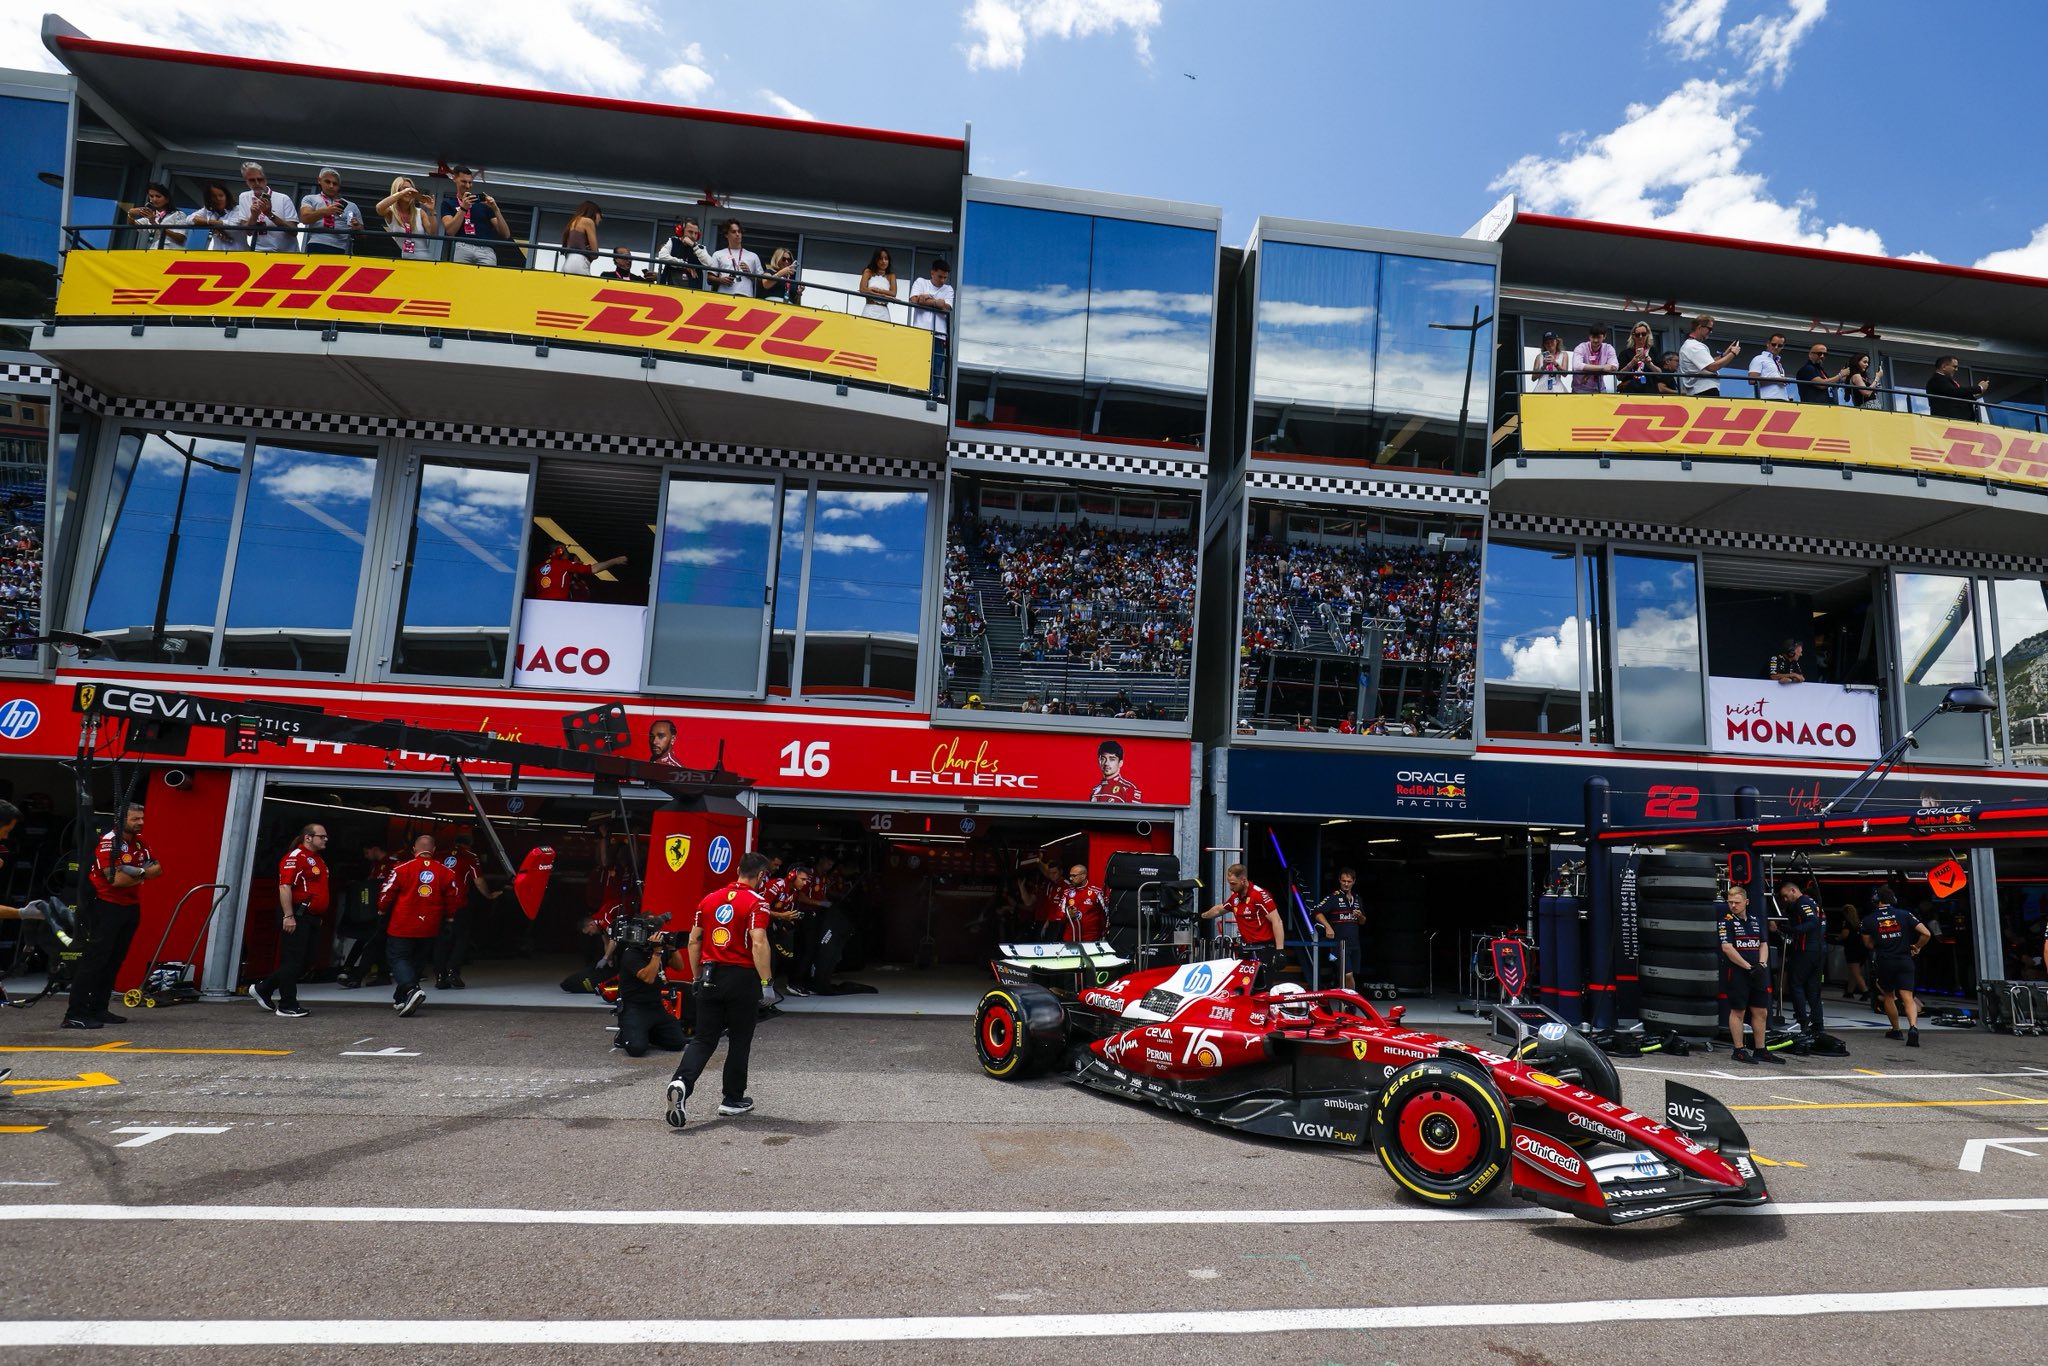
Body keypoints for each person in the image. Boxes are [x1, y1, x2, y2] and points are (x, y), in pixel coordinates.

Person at [665, 850, 774, 1129]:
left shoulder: (708, 900)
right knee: (739, 1038)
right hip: (742, 978)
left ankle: (682, 1082)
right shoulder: (757, 903)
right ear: (761, 875)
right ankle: (732, 1099)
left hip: (710, 974)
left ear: (737, 868)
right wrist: (767, 983)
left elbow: (693, 941)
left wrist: (697, 976)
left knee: (703, 1039)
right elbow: (758, 942)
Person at [63, 802, 162, 1030]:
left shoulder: (139, 841)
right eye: (135, 819)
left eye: (142, 818)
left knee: (115, 960)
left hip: (130, 906)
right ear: (120, 820)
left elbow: (159, 869)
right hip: (105, 906)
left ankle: (99, 1008)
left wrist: (138, 873)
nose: (141, 823)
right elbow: (116, 880)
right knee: (95, 960)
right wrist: (144, 872)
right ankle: (75, 1013)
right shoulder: (110, 841)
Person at [252, 824, 331, 1018]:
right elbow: (285, 887)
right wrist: (289, 916)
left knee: (307, 960)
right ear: (308, 837)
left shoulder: (317, 859)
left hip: (312, 916)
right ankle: (287, 1004)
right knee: (293, 960)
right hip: (297, 914)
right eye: (322, 836)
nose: (325, 839)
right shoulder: (295, 857)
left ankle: (264, 988)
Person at [377, 833, 455, 1016]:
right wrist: (450, 917)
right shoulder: (446, 872)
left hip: (403, 923)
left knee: (398, 958)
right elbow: (453, 898)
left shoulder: (401, 868)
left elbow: (386, 892)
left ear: (414, 849)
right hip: (429, 924)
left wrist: (381, 909)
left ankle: (412, 989)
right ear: (433, 850)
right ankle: (401, 998)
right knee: (417, 960)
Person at [1862, 886, 1932, 1045]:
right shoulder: (1905, 914)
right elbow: (1926, 933)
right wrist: (1917, 946)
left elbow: (1868, 944)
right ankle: (1913, 1027)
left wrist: (1881, 941)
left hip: (1885, 960)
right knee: (1907, 997)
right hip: (1905, 959)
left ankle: (1896, 1030)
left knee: (1888, 995)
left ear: (1875, 900)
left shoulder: (1868, 919)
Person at [1719, 886, 1780, 1064]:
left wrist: (1761, 964)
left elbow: (1763, 944)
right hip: (1737, 972)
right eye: (1730, 902)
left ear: (1746, 902)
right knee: (1738, 1010)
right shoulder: (1726, 922)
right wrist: (1747, 967)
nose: (1733, 905)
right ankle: (1738, 1049)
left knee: (1761, 1011)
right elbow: (1727, 948)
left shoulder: (1755, 920)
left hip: (1757, 971)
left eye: (1736, 902)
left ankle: (1760, 1049)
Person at [434, 833, 501, 990]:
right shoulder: (470, 856)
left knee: (441, 940)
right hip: (458, 904)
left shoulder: (439, 855)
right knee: (461, 938)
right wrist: (489, 895)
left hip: (438, 905)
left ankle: (439, 977)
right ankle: (452, 971)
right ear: (469, 845)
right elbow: (479, 881)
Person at [615, 926, 689, 1058]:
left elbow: (679, 967)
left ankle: (645, 1032)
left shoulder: (661, 949)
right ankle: (626, 1034)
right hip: (634, 1007)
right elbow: (648, 978)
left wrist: (672, 948)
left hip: (655, 1005)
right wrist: (656, 954)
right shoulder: (632, 952)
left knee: (678, 1043)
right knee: (636, 1049)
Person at [1200, 863, 1283, 970]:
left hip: (1264, 949)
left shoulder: (1259, 895)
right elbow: (1219, 910)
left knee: (1263, 985)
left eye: (1233, 884)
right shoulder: (1235, 898)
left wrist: (1280, 951)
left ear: (1243, 880)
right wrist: (1201, 916)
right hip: (1246, 949)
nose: (1231, 887)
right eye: (1229, 884)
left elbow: (1277, 921)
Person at [1776, 878, 1828, 1046]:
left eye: (1786, 896)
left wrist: (1792, 930)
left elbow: (1812, 922)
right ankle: (1818, 1024)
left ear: (1793, 890)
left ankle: (1802, 1020)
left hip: (1807, 949)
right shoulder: (1813, 902)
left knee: (1796, 983)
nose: (1785, 899)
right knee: (1813, 988)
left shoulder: (1803, 902)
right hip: (1820, 949)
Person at [440, 165, 513, 267]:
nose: (468, 186)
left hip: (486, 249)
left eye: (470, 182)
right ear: (455, 179)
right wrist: (463, 208)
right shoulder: (448, 203)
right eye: (464, 182)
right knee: (460, 279)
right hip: (462, 246)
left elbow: (506, 234)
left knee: (485, 281)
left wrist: (496, 210)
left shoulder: (483, 204)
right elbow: (450, 231)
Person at [760, 863, 813, 999]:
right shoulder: (776, 886)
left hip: (772, 928)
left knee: (778, 960)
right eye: (803, 879)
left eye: (807, 880)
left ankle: (768, 994)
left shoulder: (793, 892)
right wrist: (781, 916)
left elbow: (782, 912)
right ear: (792, 875)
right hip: (759, 928)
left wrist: (786, 920)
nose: (805, 883)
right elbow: (760, 909)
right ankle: (762, 995)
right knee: (769, 961)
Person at [225, 162, 300, 252]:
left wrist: (270, 214)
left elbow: (294, 231)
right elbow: (248, 232)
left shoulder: (283, 198)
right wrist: (254, 216)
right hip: (259, 252)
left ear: (265, 180)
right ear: (246, 181)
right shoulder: (244, 197)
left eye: (260, 179)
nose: (257, 183)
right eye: (252, 180)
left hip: (285, 253)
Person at [1311, 867, 1366, 990]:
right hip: (1339, 944)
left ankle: (1348, 1003)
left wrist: (1360, 916)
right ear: (1339, 881)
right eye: (1343, 881)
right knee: (1347, 974)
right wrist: (1328, 927)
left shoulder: (1358, 899)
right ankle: (1350, 1002)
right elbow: (1316, 912)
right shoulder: (1333, 898)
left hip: (1354, 944)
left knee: (1350, 975)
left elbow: (1363, 922)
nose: (1346, 884)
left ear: (1354, 881)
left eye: (1349, 881)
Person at [909, 259, 953, 394]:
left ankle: (933, 393)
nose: (943, 280)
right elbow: (914, 300)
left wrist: (926, 300)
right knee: (917, 360)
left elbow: (947, 308)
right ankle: (913, 387)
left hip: (938, 334)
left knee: (936, 364)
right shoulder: (921, 282)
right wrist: (936, 303)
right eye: (940, 276)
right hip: (920, 331)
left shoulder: (949, 289)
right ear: (932, 273)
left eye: (945, 277)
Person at [530, 542, 626, 601]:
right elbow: (593, 569)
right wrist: (615, 561)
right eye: (566, 549)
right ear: (560, 550)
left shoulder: (537, 568)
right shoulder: (564, 564)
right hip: (558, 605)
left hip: (538, 606)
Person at [297, 169, 363, 255]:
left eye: (335, 184)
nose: (331, 186)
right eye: (327, 182)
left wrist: (356, 228)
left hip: (342, 248)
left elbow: (363, 236)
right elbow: (304, 219)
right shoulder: (310, 198)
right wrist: (325, 211)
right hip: (317, 244)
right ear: (319, 180)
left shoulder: (352, 206)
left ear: (339, 186)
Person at [376, 176, 441, 262]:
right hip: (406, 259)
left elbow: (433, 233)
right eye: (404, 189)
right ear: (397, 190)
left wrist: (432, 211)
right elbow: (379, 208)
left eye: (410, 189)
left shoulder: (420, 212)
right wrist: (402, 193)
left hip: (425, 259)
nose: (408, 191)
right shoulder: (391, 212)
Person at [1678, 315, 1741, 398]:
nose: (1710, 332)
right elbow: (1712, 367)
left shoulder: (1691, 345)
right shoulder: (1694, 346)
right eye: (1709, 329)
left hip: (1700, 390)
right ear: (1700, 327)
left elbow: (1708, 363)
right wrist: (1733, 353)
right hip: (1704, 389)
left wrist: (1724, 355)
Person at [124, 183, 189, 250]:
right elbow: (132, 224)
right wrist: (130, 214)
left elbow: (181, 238)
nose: (154, 199)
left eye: (158, 196)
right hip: (154, 253)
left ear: (167, 199)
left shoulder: (178, 214)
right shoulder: (152, 215)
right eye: (151, 196)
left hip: (171, 254)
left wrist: (154, 224)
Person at [1925, 355, 1989, 420]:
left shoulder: (1945, 381)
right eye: (1954, 367)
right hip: (1948, 420)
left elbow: (1957, 395)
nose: (1956, 370)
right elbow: (1954, 391)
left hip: (1958, 421)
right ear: (1944, 366)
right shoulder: (1936, 379)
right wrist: (1979, 388)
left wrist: (1974, 395)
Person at [654, 217, 713, 289]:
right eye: (690, 232)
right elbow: (662, 256)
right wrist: (684, 265)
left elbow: (710, 264)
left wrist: (694, 246)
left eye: (696, 233)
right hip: (669, 289)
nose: (693, 236)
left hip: (692, 293)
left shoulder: (700, 248)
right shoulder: (673, 241)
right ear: (682, 231)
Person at [709, 219, 763, 297]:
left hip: (746, 297)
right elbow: (709, 278)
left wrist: (750, 274)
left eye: (739, 231)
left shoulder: (753, 256)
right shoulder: (718, 254)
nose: (737, 234)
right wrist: (720, 280)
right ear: (726, 235)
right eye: (733, 232)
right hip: (724, 296)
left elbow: (762, 282)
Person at [187, 182, 238, 251]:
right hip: (217, 254)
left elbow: (233, 224)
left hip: (238, 254)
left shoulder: (237, 209)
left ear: (227, 196)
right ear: (209, 199)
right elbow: (189, 219)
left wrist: (212, 224)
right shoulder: (208, 210)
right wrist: (211, 223)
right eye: (214, 196)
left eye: (221, 195)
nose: (218, 199)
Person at [1088, 739, 1142, 803]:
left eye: (1112, 759)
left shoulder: (1129, 789)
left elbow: (1135, 812)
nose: (1106, 763)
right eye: (1103, 759)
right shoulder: (1095, 789)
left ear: (1120, 763)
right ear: (1099, 761)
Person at [1835, 903, 1870, 1000]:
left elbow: (1845, 935)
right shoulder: (1859, 923)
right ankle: (1849, 992)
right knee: (1854, 972)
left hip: (1852, 950)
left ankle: (1865, 991)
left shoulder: (1847, 922)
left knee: (1855, 972)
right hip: (1862, 950)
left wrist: (1838, 939)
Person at [1570, 323, 1616, 394]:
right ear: (1589, 336)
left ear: (1604, 336)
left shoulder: (1608, 348)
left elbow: (1615, 365)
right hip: (1580, 391)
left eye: (1598, 337)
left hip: (1600, 390)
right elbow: (1577, 365)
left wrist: (1589, 372)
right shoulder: (1581, 347)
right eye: (1593, 337)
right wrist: (1602, 368)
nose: (1595, 340)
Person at [560, 200, 602, 275]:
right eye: (600, 215)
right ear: (594, 212)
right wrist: (589, 250)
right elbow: (595, 253)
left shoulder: (573, 222)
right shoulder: (588, 221)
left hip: (568, 262)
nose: (600, 219)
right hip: (579, 263)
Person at [1748, 333, 1794, 401]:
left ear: (1783, 347)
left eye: (1780, 345)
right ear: (1768, 344)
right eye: (1773, 344)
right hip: (1768, 400)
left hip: (1783, 400)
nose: (1776, 347)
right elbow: (1752, 380)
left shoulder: (1778, 362)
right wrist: (1776, 380)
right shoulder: (1759, 358)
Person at [1615, 323, 1659, 394]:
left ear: (1648, 334)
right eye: (1637, 335)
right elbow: (1619, 376)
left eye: (1643, 334)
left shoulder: (1653, 351)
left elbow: (1660, 374)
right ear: (1633, 336)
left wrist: (1650, 364)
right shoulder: (1625, 353)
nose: (1640, 337)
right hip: (1630, 393)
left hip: (1650, 392)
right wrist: (1632, 363)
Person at [857, 248, 898, 321]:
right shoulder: (868, 271)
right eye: (881, 259)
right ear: (876, 260)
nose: (884, 261)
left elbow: (893, 293)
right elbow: (862, 289)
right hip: (870, 308)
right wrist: (884, 296)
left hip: (884, 311)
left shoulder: (891, 276)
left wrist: (877, 290)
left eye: (886, 259)